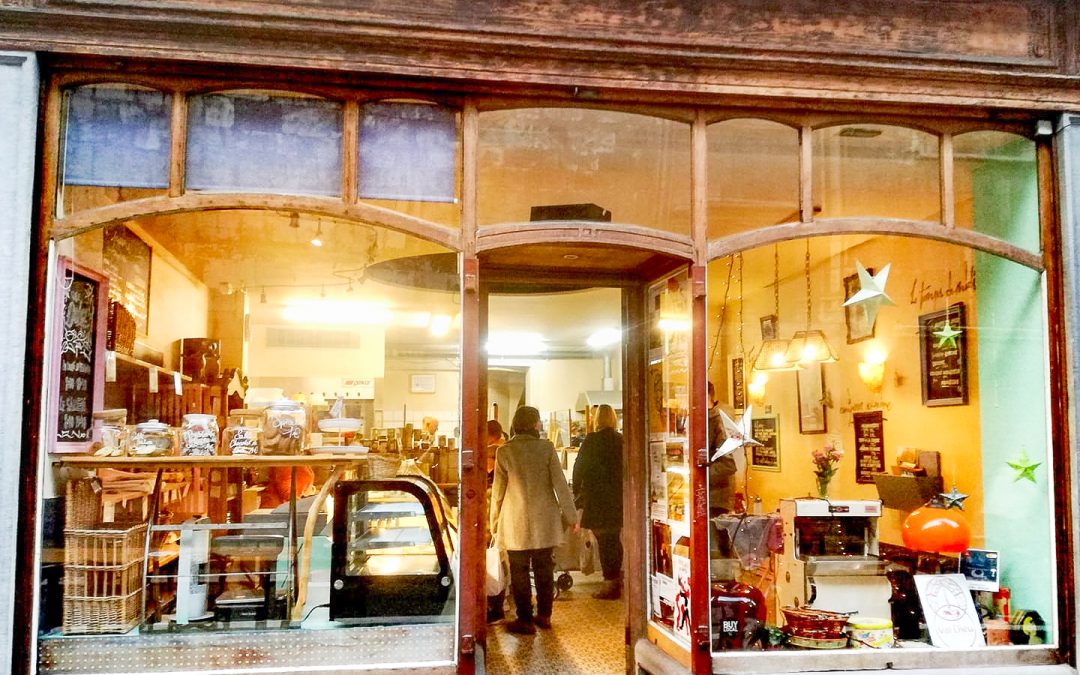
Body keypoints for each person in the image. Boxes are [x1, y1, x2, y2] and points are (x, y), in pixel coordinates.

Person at [489, 405, 576, 635]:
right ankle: (545, 615)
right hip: (544, 519)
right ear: (535, 424)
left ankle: (525, 619)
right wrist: (571, 515)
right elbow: (561, 485)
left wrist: (493, 522)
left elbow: (498, 492)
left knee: (518, 570)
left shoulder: (505, 452)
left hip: (514, 519)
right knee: (544, 567)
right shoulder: (546, 449)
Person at [572, 403, 624, 600]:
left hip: (598, 498)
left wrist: (578, 495)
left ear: (596, 419)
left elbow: (579, 469)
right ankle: (615, 580)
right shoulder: (621, 439)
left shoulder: (591, 441)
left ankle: (610, 583)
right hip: (618, 498)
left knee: (605, 541)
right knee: (614, 539)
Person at [485, 418, 507, 623]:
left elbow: (495, 493)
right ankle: (498, 603)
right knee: (499, 562)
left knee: (495, 562)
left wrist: (492, 524)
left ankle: (496, 605)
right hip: (500, 517)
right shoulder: (505, 449)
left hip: (494, 518)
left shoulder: (495, 452)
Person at [708, 381, 738, 517]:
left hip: (716, 500)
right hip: (710, 497)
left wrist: (697, 477)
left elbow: (728, 464)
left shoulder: (720, 421)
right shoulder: (708, 419)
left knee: (712, 537)